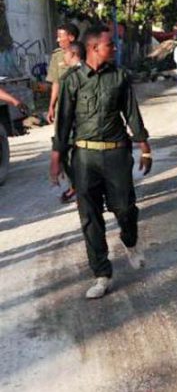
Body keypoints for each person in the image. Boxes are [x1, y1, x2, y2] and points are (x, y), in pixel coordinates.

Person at [50, 25, 153, 299]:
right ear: (95, 48)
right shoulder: (73, 80)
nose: (115, 48)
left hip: (117, 154)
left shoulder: (119, 77)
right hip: (84, 157)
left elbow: (132, 114)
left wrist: (145, 147)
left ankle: (130, 242)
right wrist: (56, 158)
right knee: (90, 217)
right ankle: (102, 274)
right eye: (111, 45)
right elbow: (63, 123)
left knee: (126, 208)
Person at [58, 41, 87, 203]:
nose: (64, 57)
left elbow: (65, 110)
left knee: (70, 158)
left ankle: (77, 187)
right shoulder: (92, 71)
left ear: (74, 54)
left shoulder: (69, 77)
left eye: (66, 53)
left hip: (76, 128)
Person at [46, 23, 80, 123]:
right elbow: (56, 83)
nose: (58, 40)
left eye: (60, 37)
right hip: (63, 103)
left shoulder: (84, 53)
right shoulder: (57, 56)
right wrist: (51, 106)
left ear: (71, 37)